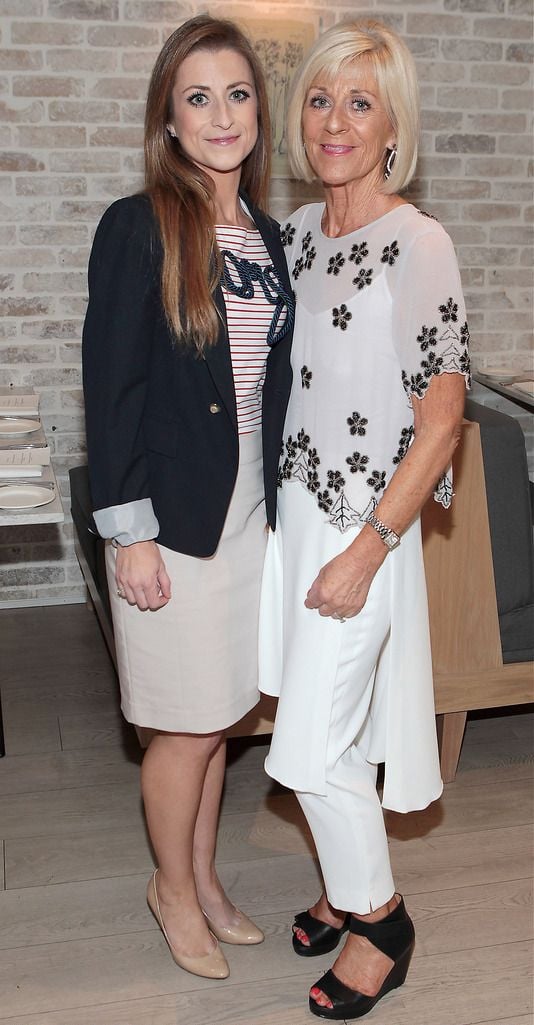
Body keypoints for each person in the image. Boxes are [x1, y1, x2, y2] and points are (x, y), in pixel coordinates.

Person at [259, 18, 470, 1020]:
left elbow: (442, 422)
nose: (333, 121)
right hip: (294, 522)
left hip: (363, 533)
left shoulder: (419, 244)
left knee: (302, 752)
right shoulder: (297, 234)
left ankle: (380, 917)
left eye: (359, 101)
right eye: (318, 98)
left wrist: (370, 547)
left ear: (393, 125)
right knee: (327, 735)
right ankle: (341, 884)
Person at [82, 15, 293, 981]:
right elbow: (111, 386)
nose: (221, 114)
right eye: (198, 96)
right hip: (170, 518)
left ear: (259, 110)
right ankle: (171, 888)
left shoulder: (268, 236)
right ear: (168, 117)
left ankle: (203, 874)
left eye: (238, 94)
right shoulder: (139, 224)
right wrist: (129, 535)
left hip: (249, 506)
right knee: (182, 723)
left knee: (221, 713)